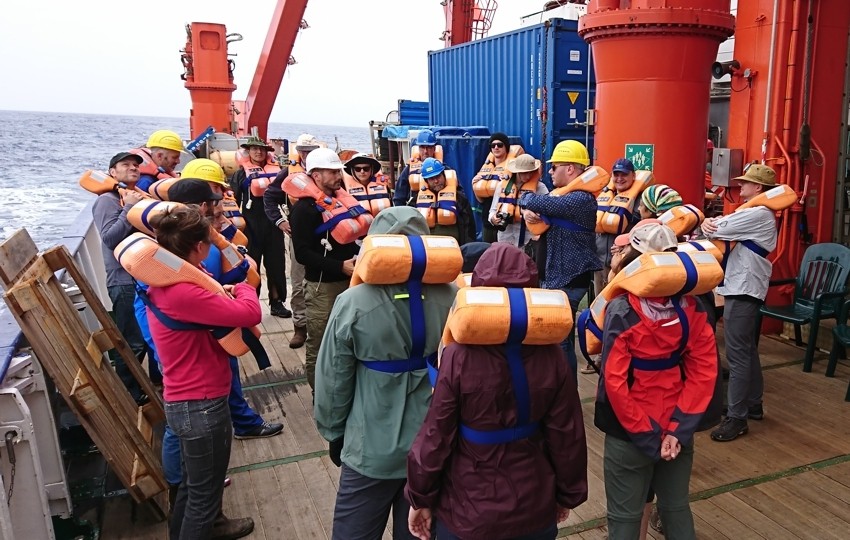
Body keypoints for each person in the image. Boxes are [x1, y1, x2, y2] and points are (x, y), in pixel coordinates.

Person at [405, 243, 588, 540]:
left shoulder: (458, 355)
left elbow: (436, 434)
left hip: (468, 511)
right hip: (534, 503)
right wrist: (569, 493)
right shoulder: (551, 354)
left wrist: (420, 497)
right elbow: (567, 433)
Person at [314, 206, 458, 540]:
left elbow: (333, 380)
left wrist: (335, 431)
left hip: (369, 450)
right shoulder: (455, 297)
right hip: (432, 449)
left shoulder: (353, 302)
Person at [595, 223, 717, 540]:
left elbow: (614, 383)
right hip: (677, 429)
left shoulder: (621, 309)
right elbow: (704, 374)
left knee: (624, 519)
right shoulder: (695, 309)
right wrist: (677, 431)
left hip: (630, 434)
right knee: (676, 509)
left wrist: (647, 437)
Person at [145, 205, 260, 540]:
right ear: (198, 247)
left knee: (192, 489)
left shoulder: (166, 278)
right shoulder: (185, 290)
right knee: (203, 500)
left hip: (184, 400)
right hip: (202, 405)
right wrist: (244, 284)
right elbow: (248, 313)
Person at [703, 164, 778, 442]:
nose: (740, 186)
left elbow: (717, 229)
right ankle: (752, 403)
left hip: (744, 287)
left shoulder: (758, 213)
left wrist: (706, 223)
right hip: (744, 285)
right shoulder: (759, 213)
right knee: (746, 349)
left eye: (745, 183)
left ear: (758, 188)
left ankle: (737, 417)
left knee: (737, 353)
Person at [518, 140, 601, 384]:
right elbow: (538, 207)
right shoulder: (563, 198)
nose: (551, 171)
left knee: (561, 339)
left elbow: (534, 200)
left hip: (569, 278)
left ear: (571, 169)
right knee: (557, 338)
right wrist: (528, 212)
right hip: (556, 276)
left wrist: (527, 203)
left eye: (555, 167)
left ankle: (566, 392)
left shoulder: (581, 199)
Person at [289, 148, 360, 392]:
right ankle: (318, 392)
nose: (338, 175)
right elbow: (302, 253)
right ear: (315, 175)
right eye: (331, 171)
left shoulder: (340, 201)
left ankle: (343, 387)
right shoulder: (303, 209)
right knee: (319, 342)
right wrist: (340, 266)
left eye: (338, 170)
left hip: (349, 282)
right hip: (322, 288)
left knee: (347, 338)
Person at [91, 151, 149, 402]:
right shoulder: (107, 200)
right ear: (112, 172)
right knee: (132, 343)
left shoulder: (134, 197)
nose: (133, 168)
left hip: (142, 278)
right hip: (123, 281)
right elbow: (109, 237)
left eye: (136, 165)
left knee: (144, 340)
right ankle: (129, 397)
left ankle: (143, 389)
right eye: (125, 165)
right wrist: (131, 210)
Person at [261, 134, 321, 348]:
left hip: (326, 235)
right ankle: (300, 327)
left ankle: (323, 327)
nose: (307, 154)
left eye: (311, 149)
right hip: (299, 236)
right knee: (299, 283)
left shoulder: (331, 172)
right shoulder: (288, 173)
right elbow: (269, 197)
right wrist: (280, 221)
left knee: (326, 281)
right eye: (303, 150)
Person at [229, 136, 291, 318]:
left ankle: (277, 302)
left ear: (267, 152)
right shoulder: (240, 174)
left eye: (262, 149)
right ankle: (251, 303)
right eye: (254, 149)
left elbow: (287, 197)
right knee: (250, 266)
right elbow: (233, 201)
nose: (258, 152)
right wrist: (235, 227)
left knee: (276, 265)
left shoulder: (278, 173)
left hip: (273, 223)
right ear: (248, 152)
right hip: (250, 225)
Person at [595, 158, 642, 296]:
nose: (619, 178)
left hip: (625, 264)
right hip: (601, 264)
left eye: (624, 174)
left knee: (620, 304)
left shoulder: (641, 200)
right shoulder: (605, 195)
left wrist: (628, 245)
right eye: (616, 174)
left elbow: (647, 232)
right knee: (599, 304)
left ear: (633, 176)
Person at [488, 153, 549, 248]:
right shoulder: (501, 185)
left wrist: (533, 214)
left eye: (531, 172)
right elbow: (492, 210)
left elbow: (548, 211)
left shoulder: (540, 188)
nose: (528, 176)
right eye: (524, 172)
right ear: (516, 171)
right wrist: (493, 219)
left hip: (528, 240)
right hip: (505, 239)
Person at [411, 158, 476, 245]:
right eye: (431, 178)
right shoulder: (416, 201)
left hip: (453, 246)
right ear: (426, 181)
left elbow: (469, 227)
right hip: (428, 246)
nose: (436, 181)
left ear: (444, 176)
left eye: (438, 176)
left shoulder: (459, 198)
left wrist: (467, 248)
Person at [472, 132, 521, 243]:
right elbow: (481, 200)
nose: (496, 147)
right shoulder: (486, 169)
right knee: (488, 253)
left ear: (506, 147)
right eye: (493, 145)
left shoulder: (513, 169)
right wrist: (474, 185)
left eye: (500, 145)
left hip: (505, 222)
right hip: (487, 221)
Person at [393, 130, 441, 206]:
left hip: (437, 213)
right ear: (418, 148)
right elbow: (398, 197)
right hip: (414, 212)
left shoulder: (443, 169)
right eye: (422, 147)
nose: (425, 151)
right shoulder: (408, 170)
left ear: (434, 149)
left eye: (428, 147)